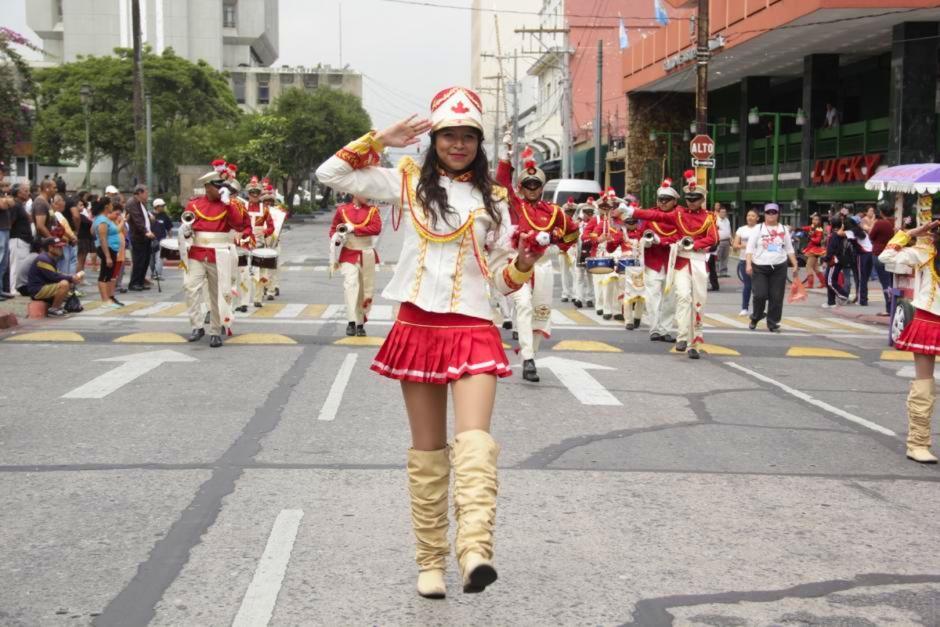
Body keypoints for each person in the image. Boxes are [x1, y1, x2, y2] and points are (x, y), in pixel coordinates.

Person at [315, 86, 539, 598]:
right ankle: (429, 562)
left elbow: (503, 281)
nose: (457, 144)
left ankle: (475, 549)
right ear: (433, 139)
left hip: (474, 326)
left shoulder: (497, 200)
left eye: (467, 136)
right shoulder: (407, 182)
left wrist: (525, 264)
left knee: (475, 442)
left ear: (479, 143)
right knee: (428, 452)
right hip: (417, 326)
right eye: (448, 136)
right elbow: (331, 175)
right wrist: (378, 138)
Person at [496, 142, 577, 382]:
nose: (532, 189)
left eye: (536, 185)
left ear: (541, 188)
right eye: (527, 185)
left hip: (542, 265)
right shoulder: (515, 205)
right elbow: (502, 184)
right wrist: (505, 157)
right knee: (522, 304)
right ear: (521, 187)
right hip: (518, 262)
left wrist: (559, 241)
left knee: (541, 311)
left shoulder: (554, 212)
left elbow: (573, 232)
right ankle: (528, 359)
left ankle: (531, 351)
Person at [625, 170, 717, 359]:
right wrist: (632, 211)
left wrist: (695, 244)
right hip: (681, 262)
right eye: (689, 198)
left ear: (702, 199)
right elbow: (656, 216)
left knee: (697, 303)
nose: (691, 201)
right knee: (682, 297)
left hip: (698, 262)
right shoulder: (679, 214)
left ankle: (694, 342)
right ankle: (682, 337)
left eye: (695, 198)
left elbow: (713, 238)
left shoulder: (709, 217)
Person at [878, 219, 940, 463]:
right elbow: (886, 258)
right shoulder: (924, 252)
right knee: (924, 383)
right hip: (929, 321)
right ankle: (918, 442)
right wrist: (909, 234)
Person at [180, 160, 251, 348]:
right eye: (217, 186)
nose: (220, 190)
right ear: (208, 187)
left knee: (217, 294)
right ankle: (197, 326)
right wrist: (186, 232)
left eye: (222, 187)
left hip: (219, 254)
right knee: (190, 287)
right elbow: (187, 225)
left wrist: (228, 204)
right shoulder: (194, 204)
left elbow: (239, 225)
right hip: (196, 253)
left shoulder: (229, 204)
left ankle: (215, 330)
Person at [329, 192, 382, 337]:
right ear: (355, 193)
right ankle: (351, 322)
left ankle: (360, 323)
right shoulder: (342, 210)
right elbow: (333, 229)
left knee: (365, 290)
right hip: (349, 252)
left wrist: (355, 229)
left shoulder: (373, 210)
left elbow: (376, 229)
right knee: (350, 285)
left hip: (366, 253)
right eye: (365, 191)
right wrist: (337, 238)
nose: (368, 195)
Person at [745, 203, 799, 332]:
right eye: (768, 212)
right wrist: (748, 264)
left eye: (774, 212)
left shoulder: (784, 229)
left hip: (779, 266)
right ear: (764, 214)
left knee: (776, 296)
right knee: (760, 295)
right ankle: (756, 316)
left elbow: (789, 248)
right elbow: (750, 248)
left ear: (778, 214)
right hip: (759, 266)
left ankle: (773, 322)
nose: (771, 215)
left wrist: (795, 264)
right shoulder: (758, 229)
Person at [639, 181, 680, 343]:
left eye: (667, 200)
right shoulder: (650, 215)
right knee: (652, 297)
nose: (663, 203)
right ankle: (654, 328)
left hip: (673, 261)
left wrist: (661, 240)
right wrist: (647, 242)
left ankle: (666, 329)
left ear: (674, 201)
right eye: (660, 200)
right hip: (653, 261)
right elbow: (640, 235)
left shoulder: (679, 216)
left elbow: (682, 236)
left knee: (670, 299)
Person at [24, 237, 83, 316]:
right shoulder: (43, 259)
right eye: (58, 247)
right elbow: (54, 276)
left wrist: (72, 277)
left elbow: (58, 273)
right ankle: (54, 308)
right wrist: (71, 278)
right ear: (50, 247)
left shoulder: (50, 258)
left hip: (45, 287)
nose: (61, 249)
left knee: (68, 283)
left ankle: (57, 306)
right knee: (64, 284)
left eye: (61, 247)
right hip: (37, 290)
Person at [92, 196, 125, 307]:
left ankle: (109, 298)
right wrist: (107, 256)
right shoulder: (102, 220)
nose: (112, 206)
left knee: (109, 274)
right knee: (104, 275)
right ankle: (105, 300)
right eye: (111, 204)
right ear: (106, 206)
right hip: (107, 249)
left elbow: (92, 231)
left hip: (112, 249)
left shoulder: (102, 219)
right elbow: (102, 238)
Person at [869, 205, 896, 315]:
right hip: (893, 254)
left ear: (881, 212)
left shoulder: (880, 223)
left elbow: (871, 236)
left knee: (885, 283)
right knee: (892, 281)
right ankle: (893, 306)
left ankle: (889, 309)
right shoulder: (896, 222)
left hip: (880, 254)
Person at [126, 184, 154, 291]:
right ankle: (134, 283)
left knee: (145, 260)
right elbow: (137, 220)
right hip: (138, 236)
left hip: (145, 236)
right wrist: (146, 231)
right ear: (140, 193)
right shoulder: (132, 203)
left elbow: (144, 216)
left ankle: (140, 281)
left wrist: (150, 216)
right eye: (146, 192)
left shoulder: (141, 203)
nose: (147, 195)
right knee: (139, 260)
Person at [7, 183, 33, 294]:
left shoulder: (19, 205)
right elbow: (10, 222)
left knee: (21, 264)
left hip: (23, 239)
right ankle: (13, 288)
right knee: (16, 265)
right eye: (25, 191)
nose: (28, 193)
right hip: (17, 238)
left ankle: (16, 287)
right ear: (18, 193)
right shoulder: (16, 205)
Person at [733, 209, 759, 317]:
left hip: (758, 261)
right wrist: (749, 246)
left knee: (757, 287)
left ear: (757, 218)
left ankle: (757, 309)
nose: (750, 217)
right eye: (748, 215)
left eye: (753, 215)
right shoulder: (741, 229)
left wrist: (747, 245)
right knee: (747, 285)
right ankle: (744, 308)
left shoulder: (760, 229)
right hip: (744, 260)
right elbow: (735, 245)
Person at [822, 216, 852, 308]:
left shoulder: (834, 235)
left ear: (831, 225)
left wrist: (825, 259)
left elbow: (831, 250)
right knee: (829, 280)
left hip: (834, 261)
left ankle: (844, 296)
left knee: (830, 281)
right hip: (838, 260)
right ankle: (831, 302)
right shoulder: (840, 234)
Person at [557, 197, 579, 303]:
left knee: (575, 272)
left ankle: (575, 294)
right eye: (568, 211)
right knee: (564, 273)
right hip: (563, 250)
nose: (570, 213)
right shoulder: (559, 223)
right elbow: (557, 237)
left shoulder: (577, 222)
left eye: (572, 211)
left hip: (573, 250)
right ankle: (565, 293)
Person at [799, 213, 827, 289]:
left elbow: (818, 241)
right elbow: (806, 228)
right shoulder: (812, 227)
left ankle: (810, 284)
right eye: (813, 219)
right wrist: (798, 228)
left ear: (819, 221)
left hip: (815, 250)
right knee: (815, 267)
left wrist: (810, 237)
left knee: (808, 266)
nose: (814, 221)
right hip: (812, 248)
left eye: (816, 219)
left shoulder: (819, 229)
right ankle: (823, 283)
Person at [149, 198, 173, 281]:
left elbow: (169, 228)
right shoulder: (149, 215)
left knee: (160, 257)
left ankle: (158, 274)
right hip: (151, 240)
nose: (163, 207)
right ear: (156, 206)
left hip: (162, 241)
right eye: (162, 206)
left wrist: (170, 239)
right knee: (151, 259)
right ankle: (153, 273)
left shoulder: (164, 216)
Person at [76, 193, 96, 281]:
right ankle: (78, 278)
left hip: (85, 239)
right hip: (82, 239)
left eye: (82, 205)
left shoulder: (83, 215)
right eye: (80, 205)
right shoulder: (80, 217)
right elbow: (90, 223)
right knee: (80, 260)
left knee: (82, 260)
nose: (82, 207)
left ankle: (81, 278)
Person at [0, 177, 13, 299]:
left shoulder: (3, 193)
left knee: (4, 262)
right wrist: (6, 200)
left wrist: (6, 198)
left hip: (5, 228)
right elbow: (3, 205)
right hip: (1, 229)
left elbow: (11, 203)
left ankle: (1, 289)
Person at [715, 203, 731, 277]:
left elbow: (729, 230)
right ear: (718, 212)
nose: (723, 213)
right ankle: (717, 272)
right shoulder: (716, 220)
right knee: (718, 257)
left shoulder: (727, 220)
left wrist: (731, 239)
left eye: (724, 212)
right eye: (722, 212)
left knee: (725, 257)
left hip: (727, 241)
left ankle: (724, 272)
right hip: (719, 241)